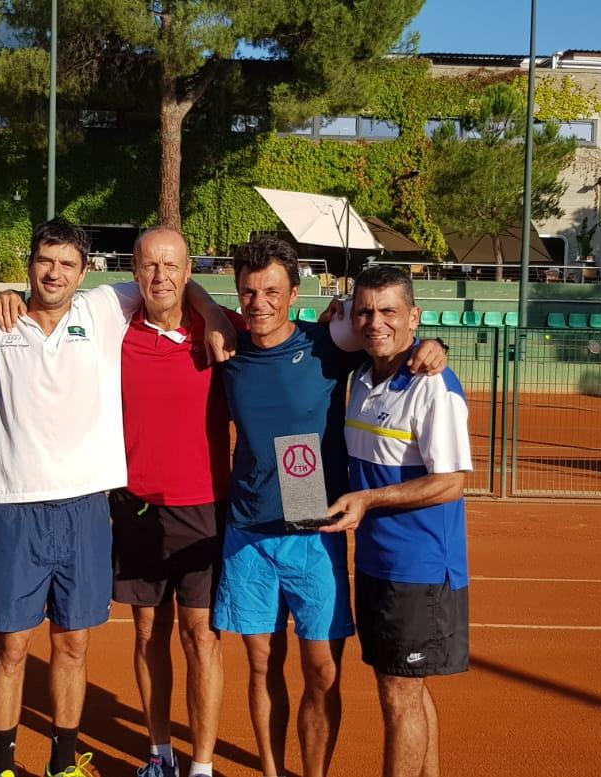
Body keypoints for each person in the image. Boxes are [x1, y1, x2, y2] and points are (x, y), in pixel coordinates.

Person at [0, 219, 233, 777]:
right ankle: (4, 766)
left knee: (73, 645)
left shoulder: (103, 309)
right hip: (12, 507)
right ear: (28, 267)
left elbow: (168, 276)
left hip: (86, 507)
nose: (54, 273)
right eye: (44, 261)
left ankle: (62, 762)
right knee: (10, 649)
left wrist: (214, 311)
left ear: (84, 271)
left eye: (67, 264)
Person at [216, 236, 446, 777]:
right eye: (248, 291)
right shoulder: (227, 349)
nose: (259, 302)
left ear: (293, 292)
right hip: (248, 531)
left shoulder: (326, 345)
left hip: (313, 528)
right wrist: (208, 312)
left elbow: (386, 333)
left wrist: (432, 343)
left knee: (321, 671)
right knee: (261, 665)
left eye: (271, 290)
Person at [319, 265, 473, 777]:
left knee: (398, 696)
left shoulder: (434, 386)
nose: (375, 322)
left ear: (414, 317)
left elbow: (451, 481)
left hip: (421, 567)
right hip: (378, 563)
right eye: (365, 310)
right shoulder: (361, 378)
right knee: (409, 687)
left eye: (389, 311)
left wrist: (367, 500)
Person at [111, 228, 233, 777]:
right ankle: (158, 755)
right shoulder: (115, 333)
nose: (160, 276)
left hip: (204, 509)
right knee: (147, 634)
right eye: (149, 265)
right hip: (136, 508)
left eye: (171, 265)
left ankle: (202, 766)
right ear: (135, 272)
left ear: (188, 273)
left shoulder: (218, 334)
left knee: (200, 639)